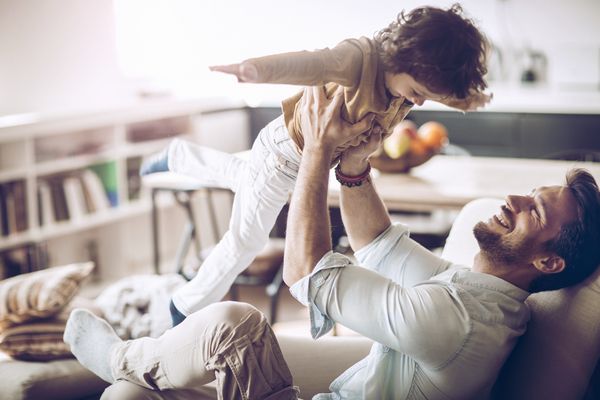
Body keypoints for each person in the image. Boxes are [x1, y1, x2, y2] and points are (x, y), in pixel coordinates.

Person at [64, 87, 600, 399]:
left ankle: (123, 355)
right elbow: (379, 241)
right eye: (531, 193)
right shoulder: (479, 295)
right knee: (136, 394)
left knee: (236, 324)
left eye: (536, 210)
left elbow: (307, 273)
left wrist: (319, 153)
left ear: (548, 260)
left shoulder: (456, 322)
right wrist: (355, 163)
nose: (514, 199)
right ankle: (138, 366)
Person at [141, 4, 492, 324]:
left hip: (300, 165)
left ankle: (178, 156)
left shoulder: (406, 85)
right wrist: (254, 69)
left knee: (246, 178)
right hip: (283, 156)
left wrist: (471, 99)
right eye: (418, 89)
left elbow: (443, 91)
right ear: (405, 58)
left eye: (427, 96)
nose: (418, 100)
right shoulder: (360, 59)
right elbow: (313, 63)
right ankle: (184, 304)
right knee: (245, 241)